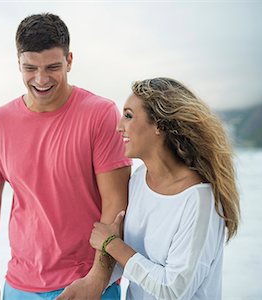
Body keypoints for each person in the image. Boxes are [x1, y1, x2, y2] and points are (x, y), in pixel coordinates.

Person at [0, 13, 132, 300]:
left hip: (87, 284)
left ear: (69, 61)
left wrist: (98, 278)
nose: (41, 79)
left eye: (53, 67)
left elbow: (116, 202)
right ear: (18, 63)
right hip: (19, 285)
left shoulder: (100, 114)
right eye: (30, 68)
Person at [89, 77, 240, 300]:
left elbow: (173, 290)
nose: (119, 126)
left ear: (159, 124)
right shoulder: (140, 179)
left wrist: (112, 244)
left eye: (129, 116)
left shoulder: (200, 199)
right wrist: (91, 281)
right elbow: (133, 262)